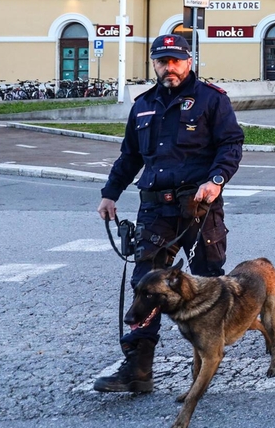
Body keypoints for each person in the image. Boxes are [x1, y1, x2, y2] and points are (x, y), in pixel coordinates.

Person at [93, 34, 244, 393]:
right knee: (145, 285)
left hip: (199, 205)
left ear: (188, 62)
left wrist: (217, 180)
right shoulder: (143, 105)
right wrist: (109, 194)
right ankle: (137, 369)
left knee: (207, 281)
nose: (169, 67)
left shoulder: (211, 100)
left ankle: (208, 358)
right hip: (156, 207)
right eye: (162, 61)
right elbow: (130, 155)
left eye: (176, 61)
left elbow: (231, 144)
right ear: (154, 64)